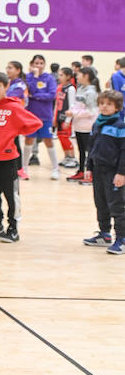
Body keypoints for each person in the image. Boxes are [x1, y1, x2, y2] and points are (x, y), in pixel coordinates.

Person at [0, 72, 42, 242]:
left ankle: (13, 227)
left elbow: (36, 123)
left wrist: (15, 131)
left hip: (7, 160)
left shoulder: (14, 107)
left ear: (6, 87)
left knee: (11, 195)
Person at [82, 89, 125, 253]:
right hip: (98, 170)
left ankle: (121, 238)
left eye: (109, 104)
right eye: (101, 103)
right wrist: (89, 167)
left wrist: (121, 173)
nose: (104, 107)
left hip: (114, 173)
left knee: (117, 205)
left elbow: (124, 151)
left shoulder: (120, 126)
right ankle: (104, 234)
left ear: (117, 107)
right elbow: (91, 147)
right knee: (101, 203)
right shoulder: (97, 124)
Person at [22, 55, 59, 179]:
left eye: (41, 63)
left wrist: (36, 96)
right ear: (32, 64)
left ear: (44, 64)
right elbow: (29, 91)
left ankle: (55, 169)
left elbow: (52, 95)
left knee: (48, 140)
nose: (38, 65)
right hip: (30, 114)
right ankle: (24, 168)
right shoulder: (28, 77)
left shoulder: (49, 78)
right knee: (28, 140)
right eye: (36, 63)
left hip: (45, 115)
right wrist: (35, 77)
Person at [69, 66, 100, 182]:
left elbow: (91, 111)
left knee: (90, 151)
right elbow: (76, 105)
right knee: (81, 151)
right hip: (78, 126)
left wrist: (74, 113)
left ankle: (90, 173)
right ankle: (81, 171)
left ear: (86, 76)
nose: (76, 76)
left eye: (79, 74)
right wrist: (72, 113)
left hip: (87, 126)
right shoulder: (81, 88)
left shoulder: (91, 92)